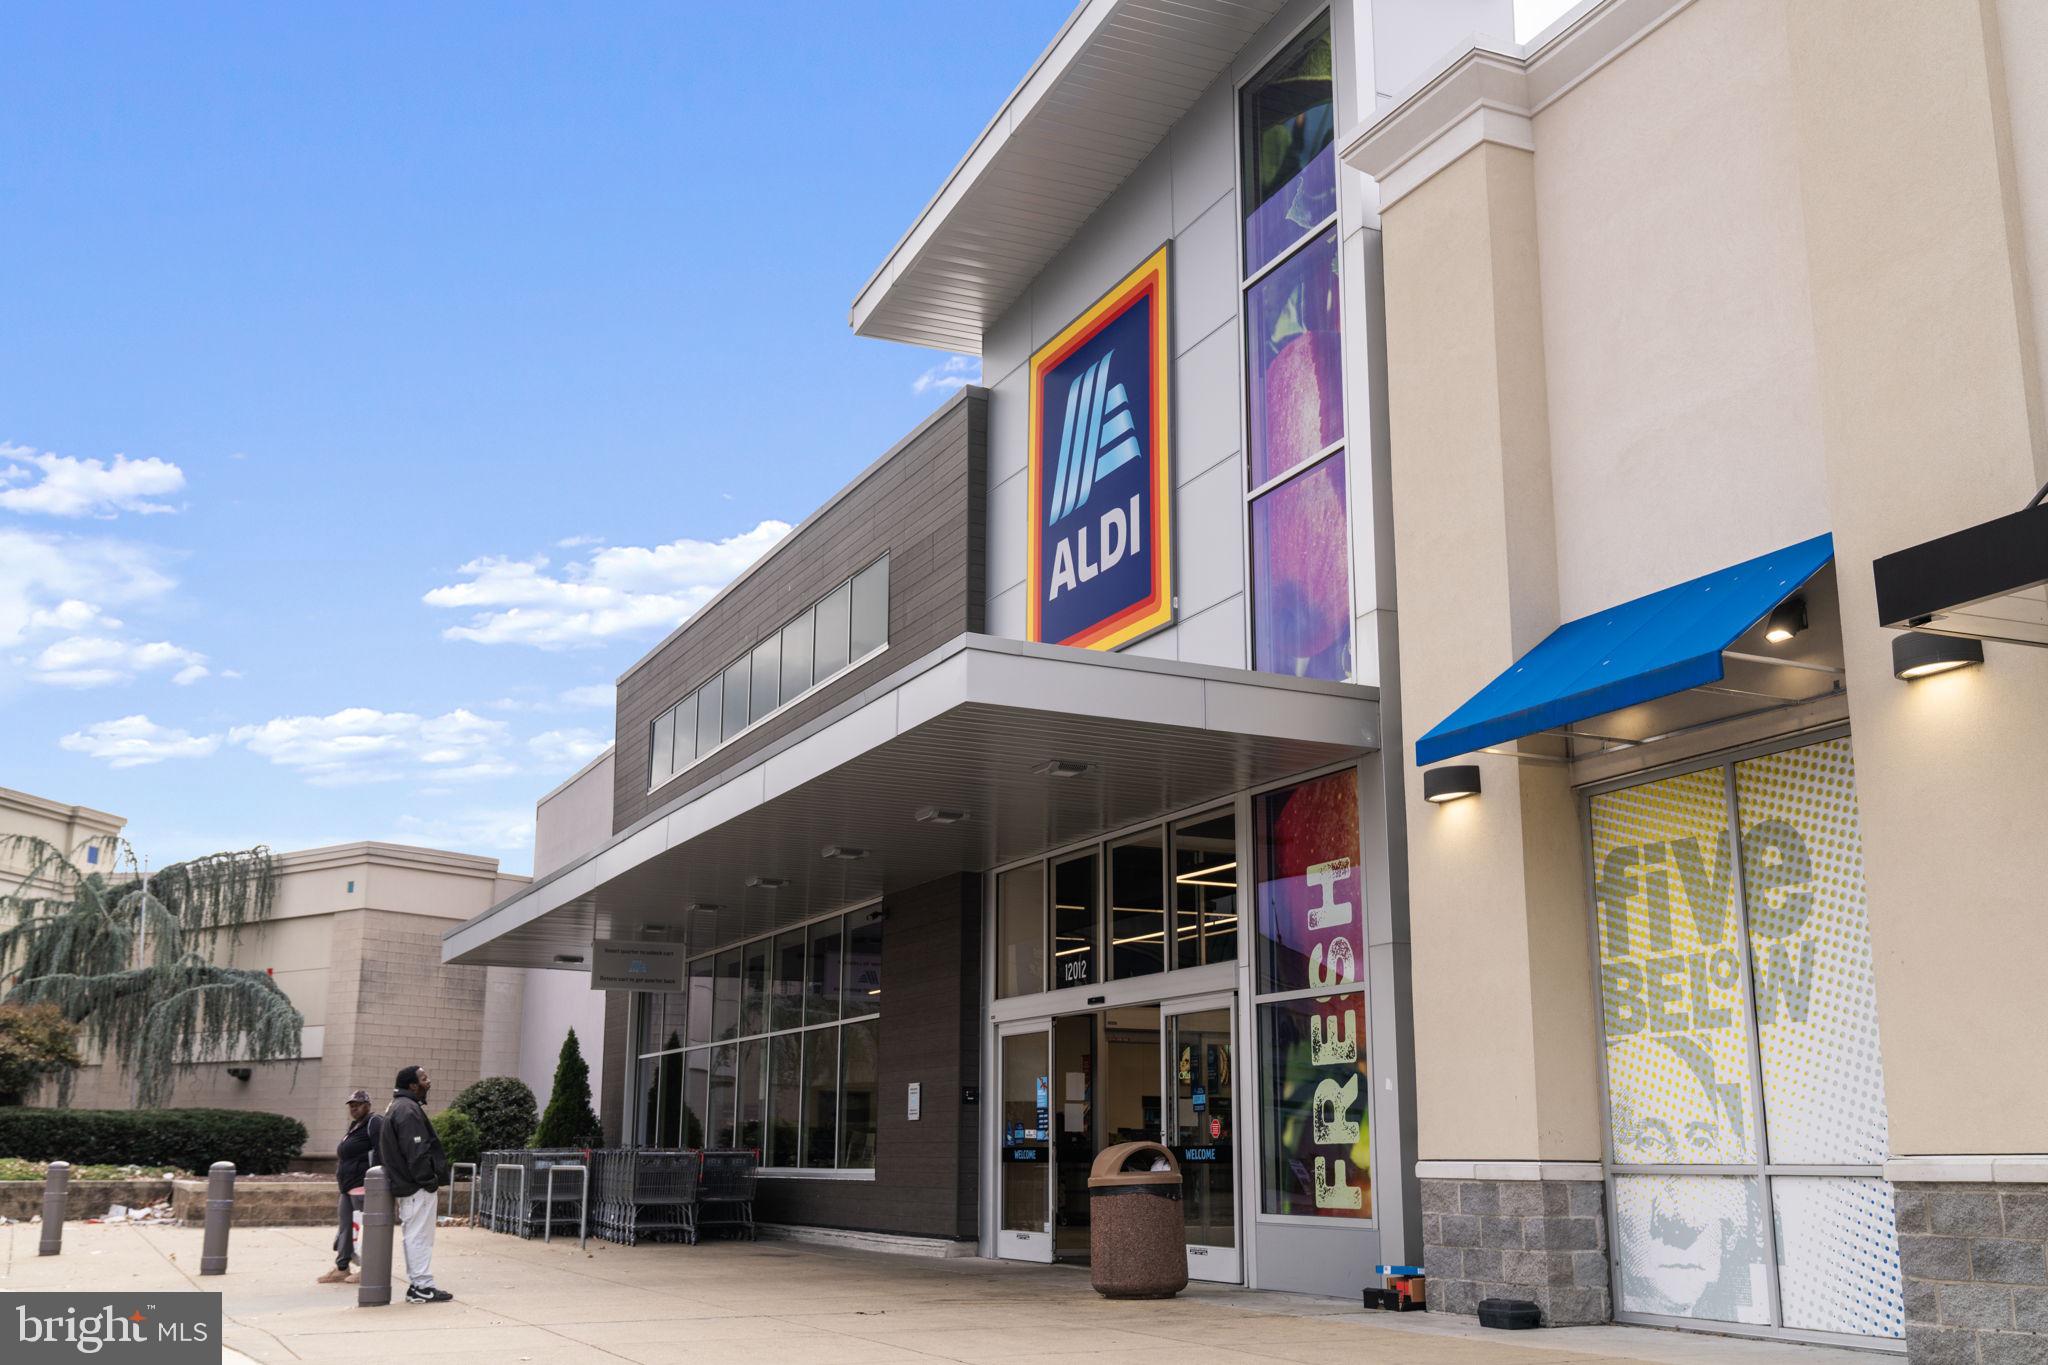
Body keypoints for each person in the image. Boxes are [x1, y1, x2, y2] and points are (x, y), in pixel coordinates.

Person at [378, 1064, 454, 1303]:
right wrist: (428, 1181)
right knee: (419, 1236)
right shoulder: (408, 1110)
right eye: (424, 1078)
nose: (428, 1082)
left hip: (409, 1185)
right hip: (415, 1186)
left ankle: (420, 1285)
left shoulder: (399, 1107)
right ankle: (421, 1286)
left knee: (416, 1235)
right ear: (412, 1085)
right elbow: (417, 1151)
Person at [318, 1088, 381, 1284]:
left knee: (362, 1230)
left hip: (363, 1185)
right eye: (351, 1105)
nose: (354, 1108)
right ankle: (342, 1267)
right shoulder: (355, 1125)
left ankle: (368, 1268)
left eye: (358, 1104)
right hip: (347, 1186)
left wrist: (376, 1180)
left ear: (367, 1106)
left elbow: (381, 1150)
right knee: (345, 1227)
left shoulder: (374, 1122)